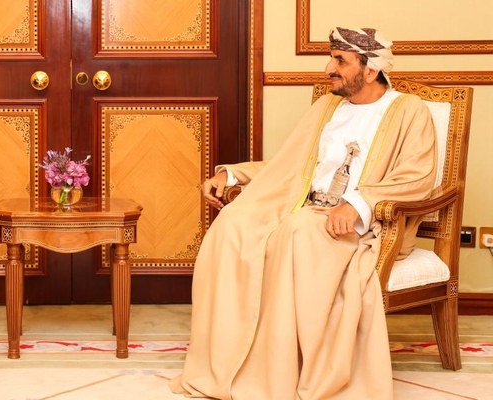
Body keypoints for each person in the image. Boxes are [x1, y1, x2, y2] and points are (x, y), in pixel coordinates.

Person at [170, 27, 438, 399]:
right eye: (331, 58)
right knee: (232, 224)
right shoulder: (327, 107)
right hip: (301, 204)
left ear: (371, 70)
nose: (329, 68)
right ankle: (228, 363)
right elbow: (289, 165)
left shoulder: (409, 111)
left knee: (297, 233)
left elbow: (419, 177)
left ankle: (279, 372)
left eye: (340, 61)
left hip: (361, 222)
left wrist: (358, 203)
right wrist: (230, 174)